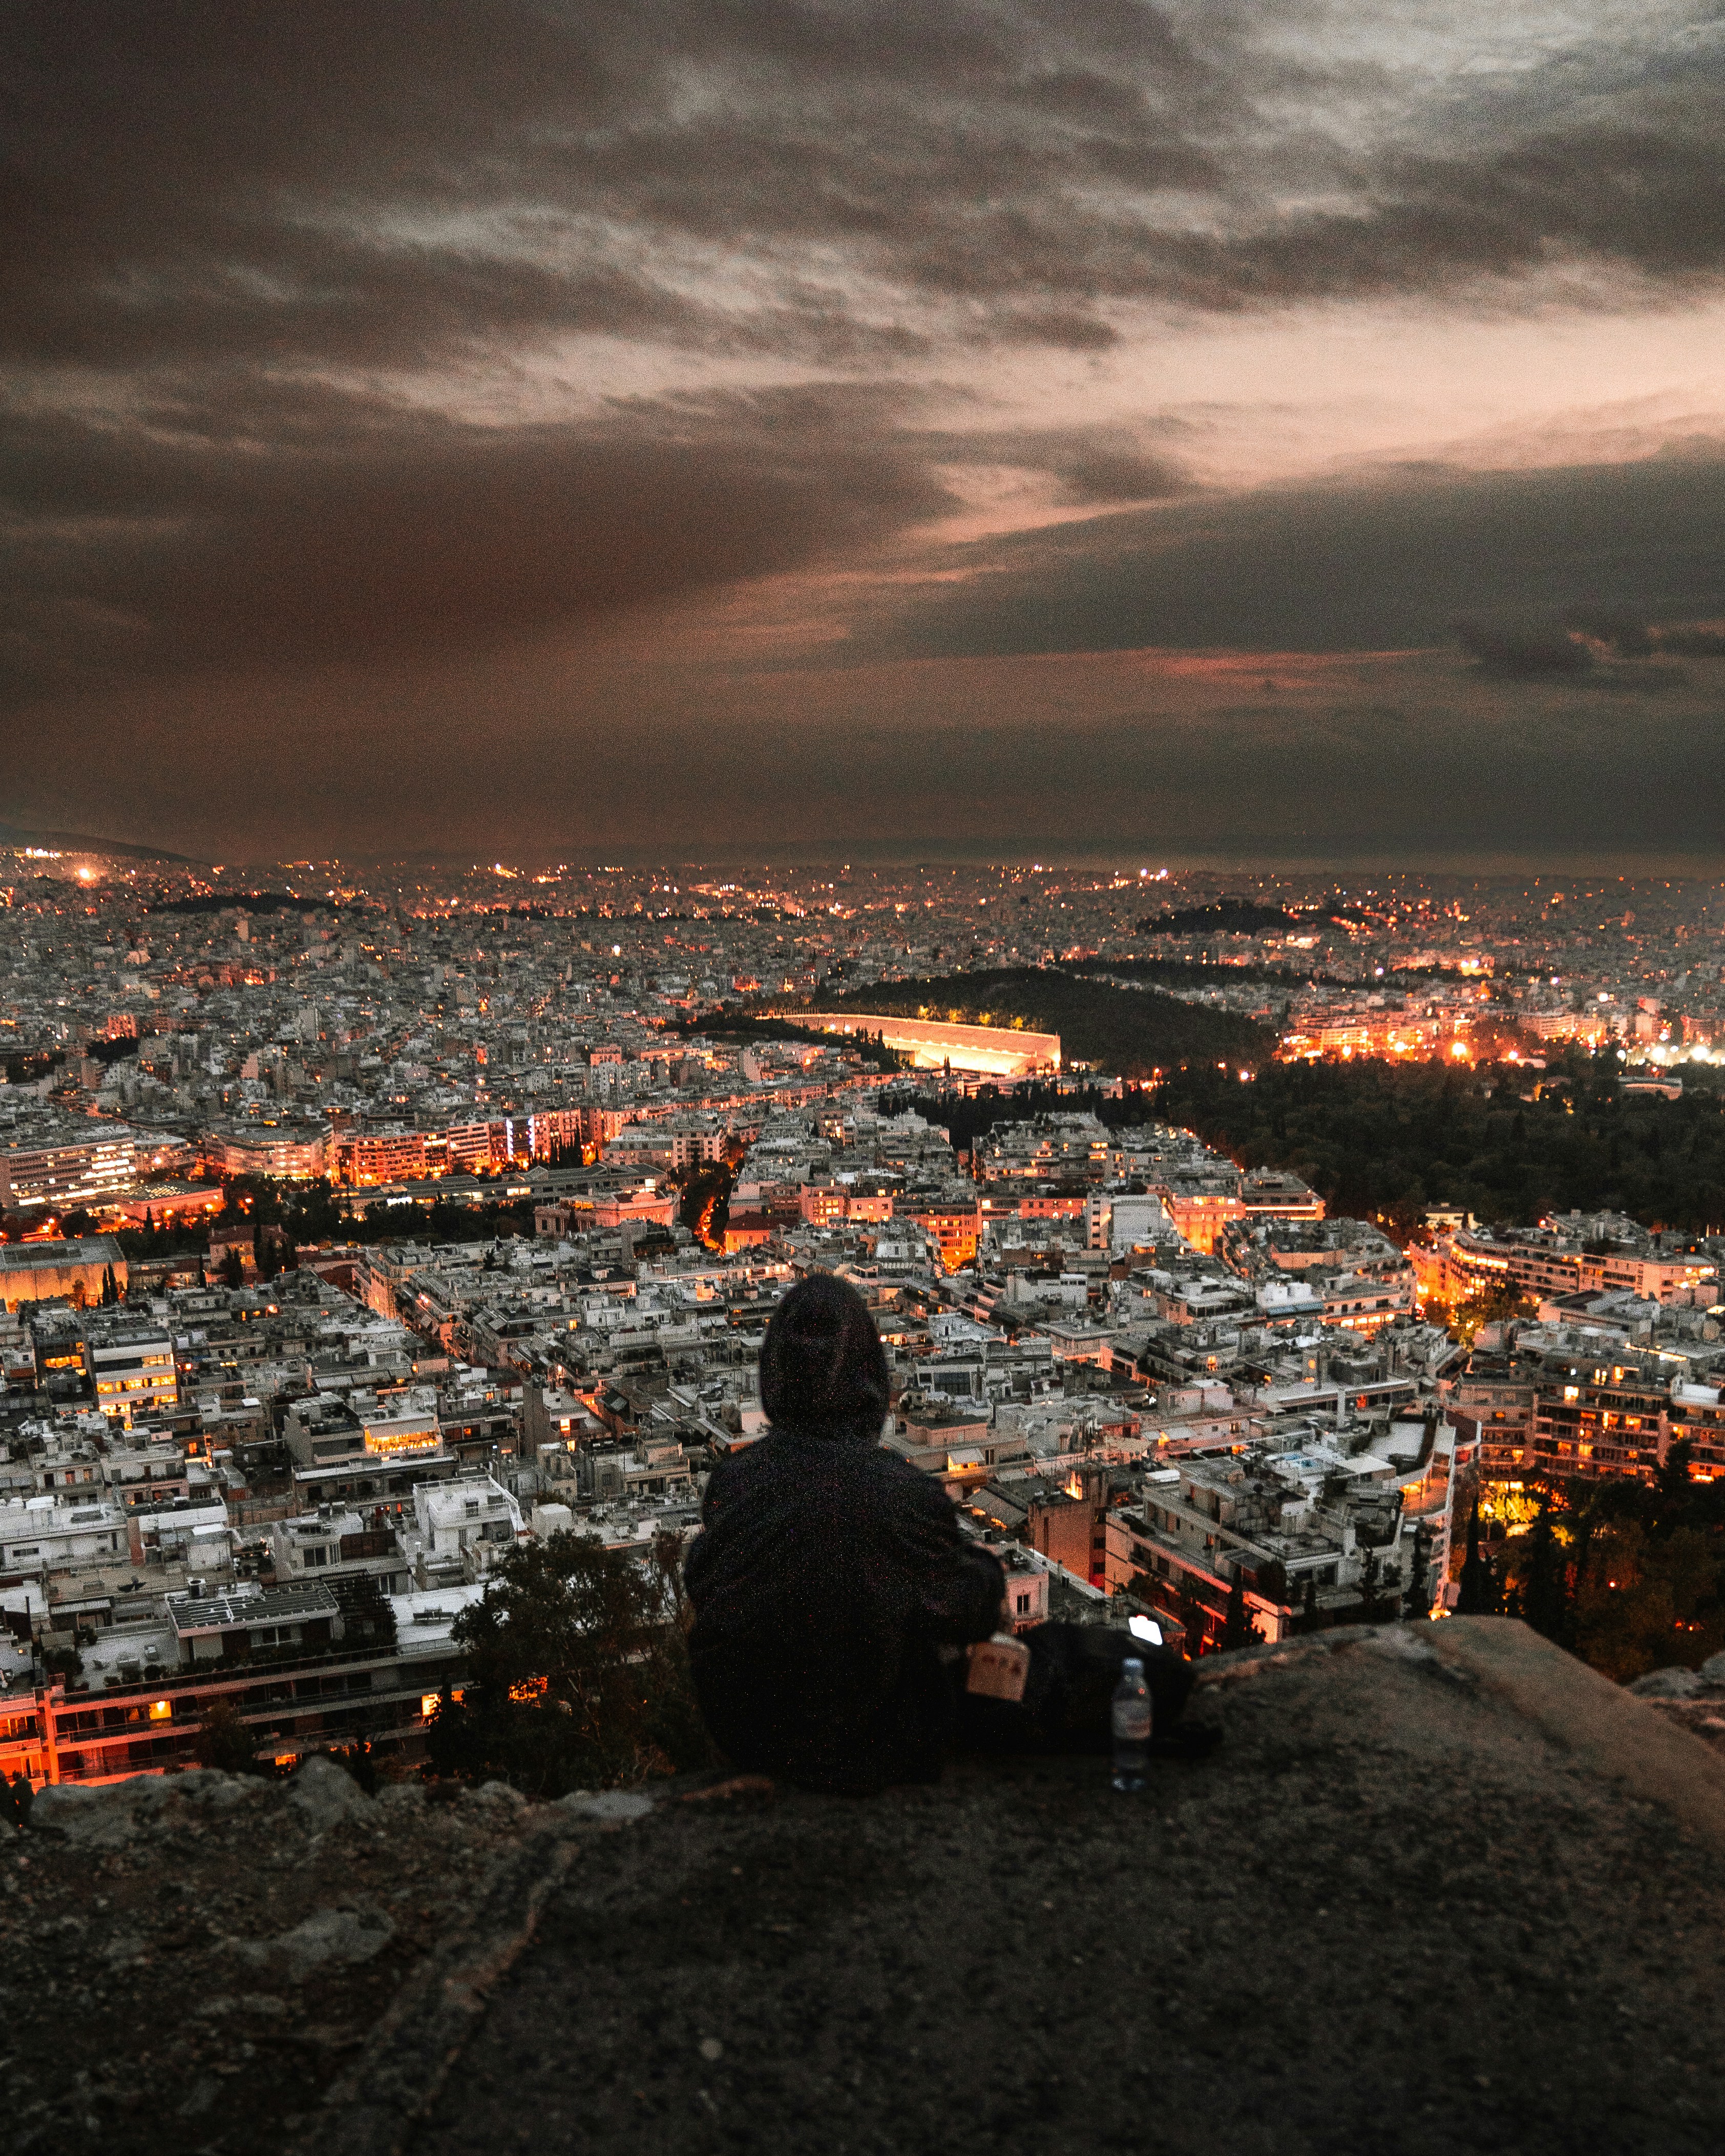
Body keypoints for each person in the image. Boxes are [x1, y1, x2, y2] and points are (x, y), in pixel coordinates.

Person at [684, 1272, 1203, 1795]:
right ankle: (1157, 1689)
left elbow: (703, 1581)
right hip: (868, 1742)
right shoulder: (897, 1491)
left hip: (745, 1733)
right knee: (1040, 1658)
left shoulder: (734, 1479)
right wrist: (983, 1570)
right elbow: (969, 1611)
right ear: (870, 1380)